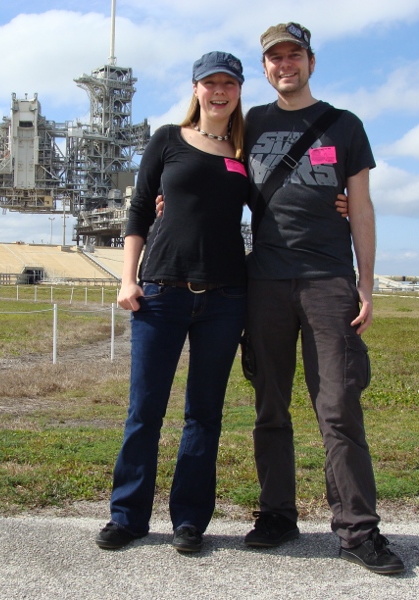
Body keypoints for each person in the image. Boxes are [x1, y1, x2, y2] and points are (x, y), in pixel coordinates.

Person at [242, 22, 405, 575]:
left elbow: (361, 207)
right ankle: (276, 515)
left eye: (295, 55)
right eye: (275, 57)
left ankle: (358, 530)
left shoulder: (345, 125)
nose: (285, 64)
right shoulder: (250, 123)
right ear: (265, 68)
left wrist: (366, 283)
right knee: (269, 406)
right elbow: (213, 176)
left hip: (328, 281)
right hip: (264, 282)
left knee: (338, 407)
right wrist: (169, 198)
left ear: (312, 62)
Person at [95, 51, 249, 553]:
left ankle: (189, 521)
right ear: (196, 88)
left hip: (225, 297)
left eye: (229, 83)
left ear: (239, 90)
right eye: (210, 83)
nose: (219, 91)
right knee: (145, 410)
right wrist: (128, 279)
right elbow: (140, 208)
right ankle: (128, 516)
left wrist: (332, 203)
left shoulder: (246, 151)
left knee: (204, 414)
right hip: (161, 291)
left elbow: (276, 206)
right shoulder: (167, 139)